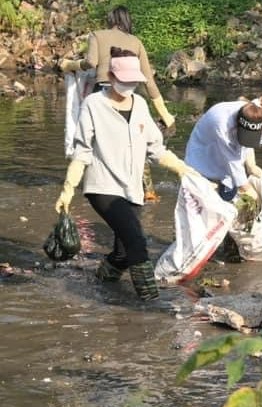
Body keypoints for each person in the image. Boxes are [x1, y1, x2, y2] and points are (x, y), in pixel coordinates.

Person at [53, 52, 199, 301]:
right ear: (110, 76)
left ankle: (100, 284)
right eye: (124, 80)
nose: (129, 86)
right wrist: (68, 190)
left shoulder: (140, 105)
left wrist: (184, 170)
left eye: (133, 82)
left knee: (122, 253)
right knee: (137, 244)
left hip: (132, 189)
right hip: (103, 187)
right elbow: (82, 152)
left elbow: (156, 149)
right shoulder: (94, 105)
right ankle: (151, 303)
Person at [58, 6, 177, 131]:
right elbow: (149, 82)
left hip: (103, 92)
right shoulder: (136, 42)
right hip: (127, 94)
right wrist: (165, 114)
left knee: (96, 134)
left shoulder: (97, 35)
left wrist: (70, 65)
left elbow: (91, 62)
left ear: (110, 20)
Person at [184, 97, 262, 202]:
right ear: (237, 124)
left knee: (229, 196)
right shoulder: (221, 123)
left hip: (228, 156)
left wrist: (251, 165)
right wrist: (250, 192)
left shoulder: (254, 112)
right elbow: (232, 160)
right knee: (207, 198)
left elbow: (247, 145)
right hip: (204, 154)